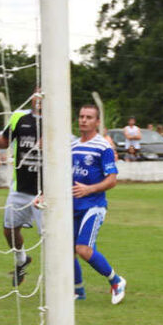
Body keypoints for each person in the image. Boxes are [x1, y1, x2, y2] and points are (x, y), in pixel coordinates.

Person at [0, 91, 42, 286]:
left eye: (44, 94)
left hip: (44, 191)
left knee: (49, 238)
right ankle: (22, 261)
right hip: (20, 187)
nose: (40, 98)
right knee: (9, 230)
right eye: (37, 94)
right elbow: (5, 141)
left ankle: (68, 283)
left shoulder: (57, 120)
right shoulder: (19, 117)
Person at [72, 104, 126, 304]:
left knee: (83, 249)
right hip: (73, 206)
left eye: (88, 117)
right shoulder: (73, 146)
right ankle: (78, 291)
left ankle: (116, 281)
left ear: (97, 122)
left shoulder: (103, 147)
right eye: (81, 116)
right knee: (67, 251)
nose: (83, 120)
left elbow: (112, 179)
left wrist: (89, 189)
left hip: (93, 206)